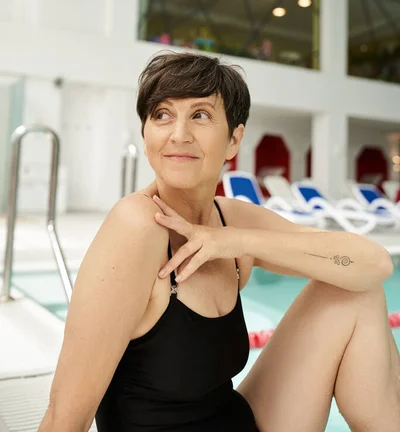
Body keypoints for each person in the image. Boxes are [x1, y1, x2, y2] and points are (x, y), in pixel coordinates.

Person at [38, 52, 400, 432]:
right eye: (162, 114)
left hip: (238, 421)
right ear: (145, 134)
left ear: (233, 141)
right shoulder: (137, 226)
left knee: (357, 292)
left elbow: (374, 265)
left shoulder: (231, 218)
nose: (178, 134)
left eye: (200, 115)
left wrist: (232, 241)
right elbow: (65, 416)